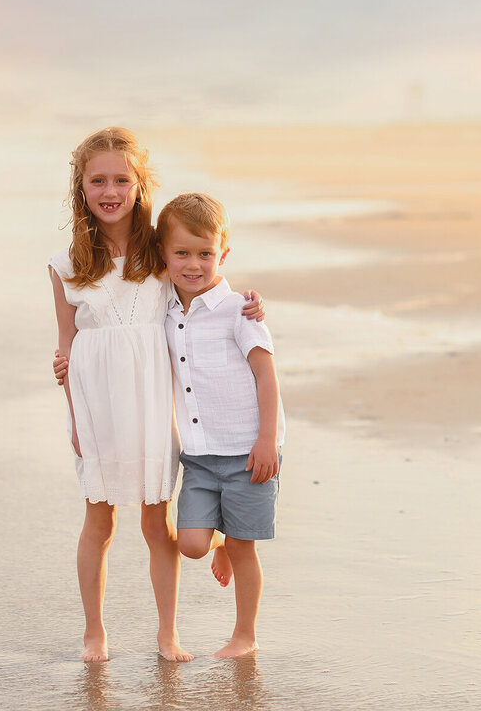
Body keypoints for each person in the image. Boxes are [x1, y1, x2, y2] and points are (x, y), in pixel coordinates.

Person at [48, 128, 264, 663]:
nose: (110, 191)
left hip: (150, 400)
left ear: (140, 185)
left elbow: (206, 279)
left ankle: (166, 633)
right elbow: (67, 346)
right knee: (99, 519)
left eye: (122, 179)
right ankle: (93, 631)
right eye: (98, 180)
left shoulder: (159, 250)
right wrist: (74, 416)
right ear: (81, 189)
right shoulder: (66, 263)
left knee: (154, 520)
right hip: (96, 403)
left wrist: (252, 305)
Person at [158, 192, 284, 658]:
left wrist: (267, 439)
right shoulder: (166, 311)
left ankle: (244, 635)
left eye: (206, 253)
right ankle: (220, 543)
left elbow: (265, 374)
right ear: (164, 256)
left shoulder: (240, 310)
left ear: (223, 254)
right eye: (182, 253)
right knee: (191, 543)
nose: (194, 264)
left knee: (244, 545)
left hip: (249, 452)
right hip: (200, 454)